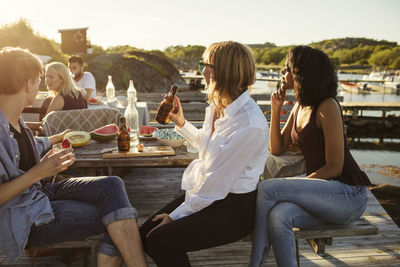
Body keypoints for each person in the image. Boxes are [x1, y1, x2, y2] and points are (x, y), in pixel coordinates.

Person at [0, 47, 147, 267]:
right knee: (118, 215)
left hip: (40, 193)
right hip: (24, 216)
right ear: (29, 84)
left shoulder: (15, 120)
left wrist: (57, 138)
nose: (41, 85)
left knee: (113, 186)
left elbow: (28, 146)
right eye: (39, 80)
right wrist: (38, 172)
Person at [139, 41, 269, 267]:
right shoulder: (219, 106)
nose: (201, 72)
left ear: (219, 72)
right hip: (210, 194)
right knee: (146, 233)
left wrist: (175, 216)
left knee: (160, 240)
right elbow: (208, 147)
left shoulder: (250, 124)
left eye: (204, 65)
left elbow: (217, 182)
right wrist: (181, 122)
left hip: (234, 208)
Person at [250, 46, 372, 267]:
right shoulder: (299, 106)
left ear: (301, 74)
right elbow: (276, 148)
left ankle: (254, 264)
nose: (282, 74)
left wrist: (299, 188)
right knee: (279, 217)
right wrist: (276, 109)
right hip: (323, 195)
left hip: (348, 195)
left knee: (268, 188)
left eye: (286, 69)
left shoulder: (328, 107)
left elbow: (335, 167)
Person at [25, 62, 88, 131]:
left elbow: (44, 126)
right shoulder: (78, 94)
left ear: (62, 79)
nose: (47, 80)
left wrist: (21, 124)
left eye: (51, 77)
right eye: (46, 76)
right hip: (77, 136)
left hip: (59, 138)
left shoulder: (59, 99)